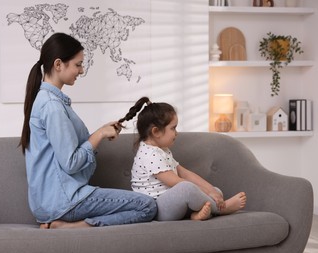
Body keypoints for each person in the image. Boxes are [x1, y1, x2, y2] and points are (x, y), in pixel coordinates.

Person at [19, 33, 157, 229]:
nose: (81, 70)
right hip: (64, 201)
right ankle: (73, 227)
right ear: (59, 65)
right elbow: (71, 163)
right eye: (78, 64)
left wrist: (101, 131)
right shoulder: (52, 106)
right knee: (147, 206)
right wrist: (98, 135)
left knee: (146, 206)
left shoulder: (49, 102)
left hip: (55, 202)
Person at [118, 97, 247, 221]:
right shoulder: (149, 155)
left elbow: (185, 173)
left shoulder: (162, 150)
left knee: (216, 191)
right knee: (186, 188)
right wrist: (209, 194)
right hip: (158, 209)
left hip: (173, 206)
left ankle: (197, 215)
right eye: (173, 128)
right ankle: (221, 209)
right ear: (156, 132)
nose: (176, 132)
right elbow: (177, 182)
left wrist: (211, 191)